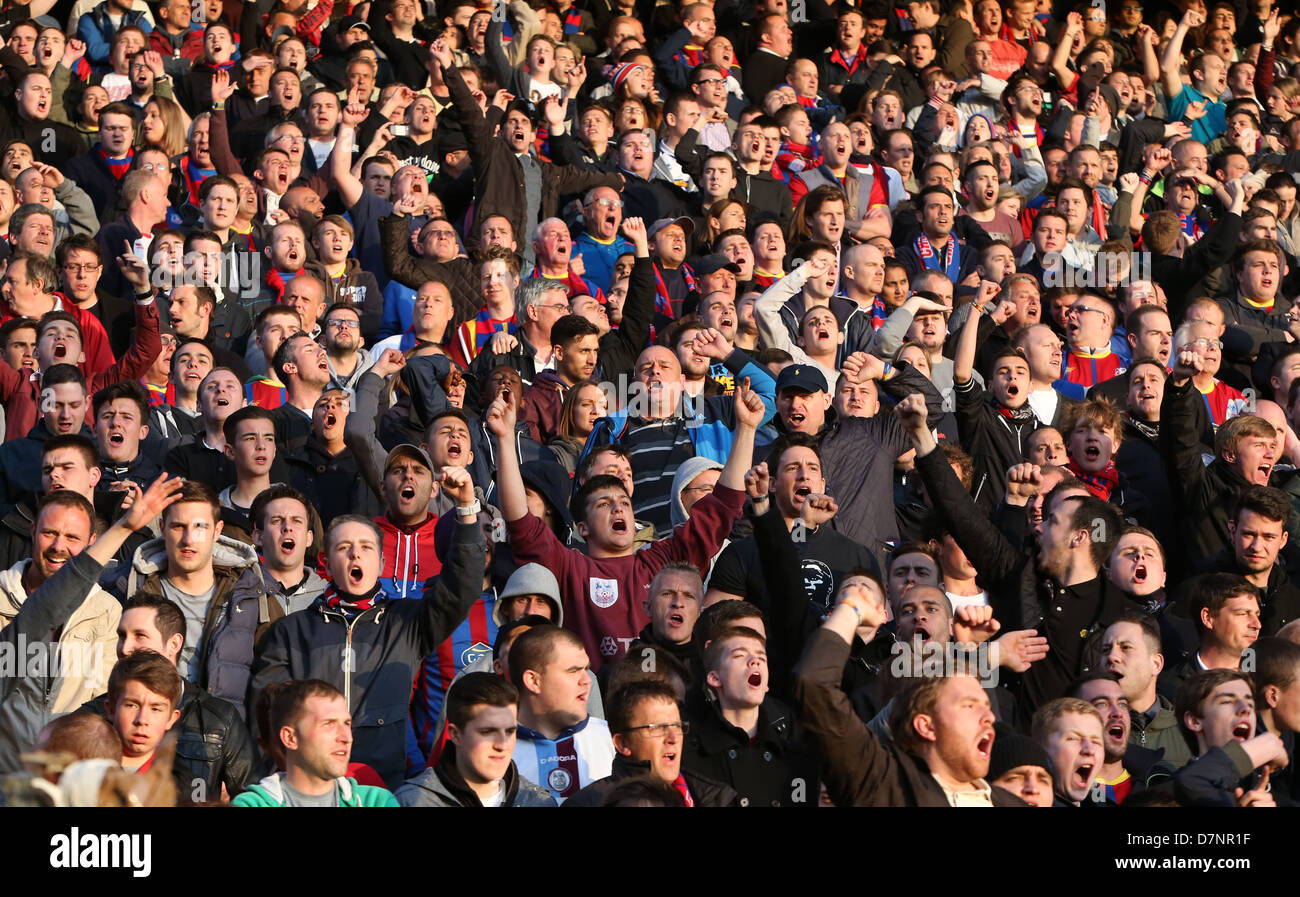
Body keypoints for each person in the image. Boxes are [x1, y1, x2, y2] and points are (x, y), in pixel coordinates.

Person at [250, 467, 485, 788]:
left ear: (382, 564)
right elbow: (267, 716)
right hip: (309, 786)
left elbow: (462, 586)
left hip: (385, 786)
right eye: (343, 547)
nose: (355, 553)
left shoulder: (407, 623)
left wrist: (467, 509)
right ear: (328, 564)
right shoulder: (290, 632)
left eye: (366, 546)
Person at [566, 678, 739, 806]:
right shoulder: (587, 803)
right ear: (622, 743)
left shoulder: (717, 798)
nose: (673, 739)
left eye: (677, 726)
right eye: (657, 728)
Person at [396, 673, 556, 807]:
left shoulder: (538, 801)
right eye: (487, 731)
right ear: (455, 734)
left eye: (510, 731)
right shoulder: (412, 802)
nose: (502, 744)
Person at [232, 679, 400, 807]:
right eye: (329, 724)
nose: (346, 737)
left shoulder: (377, 801)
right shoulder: (251, 804)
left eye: (347, 723)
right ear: (290, 738)